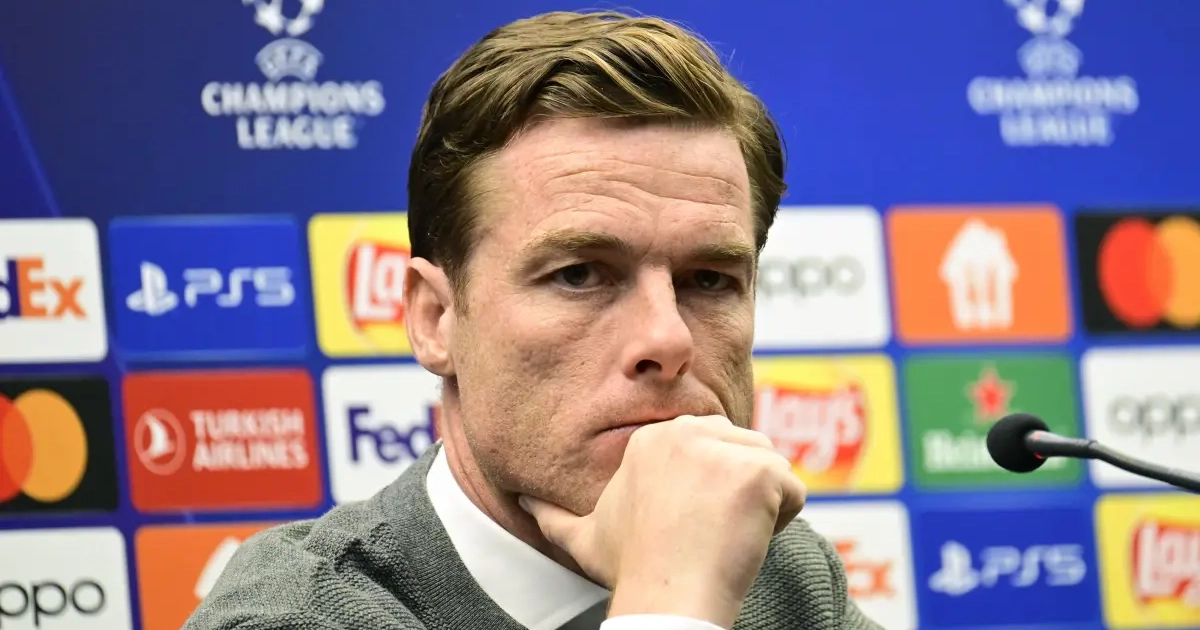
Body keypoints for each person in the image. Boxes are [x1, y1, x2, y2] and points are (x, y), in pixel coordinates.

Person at [185, 10, 882, 630]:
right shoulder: (296, 614)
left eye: (708, 280)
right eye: (578, 275)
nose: (667, 338)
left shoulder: (773, 568)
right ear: (435, 318)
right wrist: (675, 604)